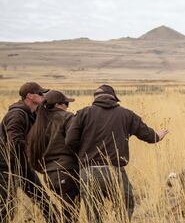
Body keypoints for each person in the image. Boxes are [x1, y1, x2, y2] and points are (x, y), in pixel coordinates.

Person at [66, 84, 169, 223]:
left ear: (95, 98)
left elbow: (70, 141)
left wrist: (85, 153)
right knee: (125, 206)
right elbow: (148, 136)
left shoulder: (83, 113)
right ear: (114, 98)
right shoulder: (126, 114)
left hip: (88, 172)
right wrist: (157, 136)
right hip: (114, 172)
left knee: (94, 215)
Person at [0, 82, 57, 222]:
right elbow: (14, 142)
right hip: (7, 168)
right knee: (6, 209)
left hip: (22, 166)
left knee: (44, 202)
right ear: (30, 96)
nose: (43, 96)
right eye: (40, 93)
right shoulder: (17, 115)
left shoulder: (30, 114)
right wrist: (31, 148)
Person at [27, 90, 79, 223]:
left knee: (65, 212)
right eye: (66, 103)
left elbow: (31, 151)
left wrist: (43, 169)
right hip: (67, 171)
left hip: (49, 174)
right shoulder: (67, 118)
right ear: (58, 104)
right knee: (71, 215)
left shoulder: (39, 123)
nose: (68, 107)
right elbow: (74, 141)